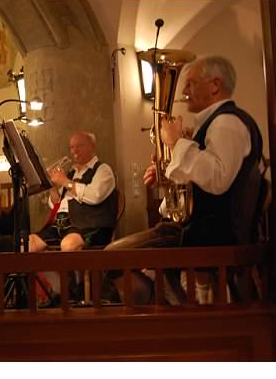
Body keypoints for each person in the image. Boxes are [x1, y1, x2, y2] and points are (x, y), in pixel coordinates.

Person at [104, 55, 264, 304]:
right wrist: (168, 178)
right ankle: (169, 310)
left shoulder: (227, 123)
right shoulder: (219, 122)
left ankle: (159, 316)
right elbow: (205, 178)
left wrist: (176, 143)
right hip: (197, 226)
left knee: (111, 257)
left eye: (191, 83)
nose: (184, 90)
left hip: (207, 233)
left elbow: (218, 179)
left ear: (214, 85)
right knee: (114, 257)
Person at [28, 131, 118, 253]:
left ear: (92, 147)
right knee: (30, 243)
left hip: (90, 226)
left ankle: (71, 272)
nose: (74, 151)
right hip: (62, 226)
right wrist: (52, 187)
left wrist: (65, 181)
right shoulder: (72, 173)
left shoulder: (103, 169)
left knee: (68, 245)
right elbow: (56, 205)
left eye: (79, 146)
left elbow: (95, 196)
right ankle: (56, 272)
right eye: (71, 147)